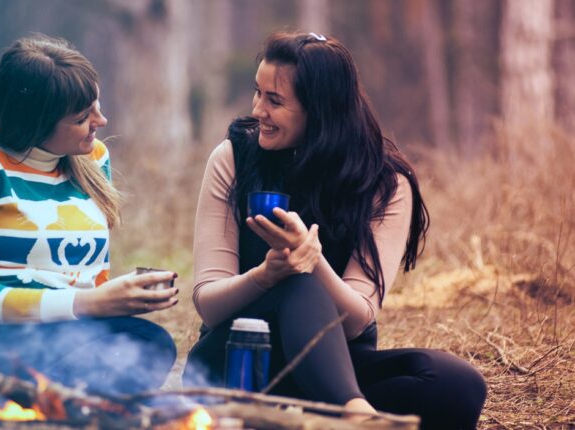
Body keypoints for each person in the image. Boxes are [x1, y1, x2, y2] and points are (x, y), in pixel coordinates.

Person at [183, 31, 486, 429]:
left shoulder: (385, 183)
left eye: (275, 101)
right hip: (236, 364)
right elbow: (209, 301)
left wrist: (315, 262)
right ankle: (355, 417)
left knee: (457, 384)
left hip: (332, 368)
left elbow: (358, 318)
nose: (258, 110)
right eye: (257, 93)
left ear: (321, 111)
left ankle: (330, 412)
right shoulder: (234, 159)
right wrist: (267, 274)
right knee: (294, 281)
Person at [0, 35, 179, 429]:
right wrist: (93, 303)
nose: (100, 123)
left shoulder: (91, 159)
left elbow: (89, 281)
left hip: (48, 343)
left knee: (148, 344)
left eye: (96, 107)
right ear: (35, 122)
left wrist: (115, 300)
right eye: (83, 117)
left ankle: (48, 415)